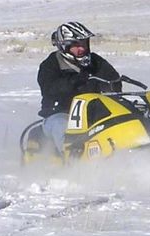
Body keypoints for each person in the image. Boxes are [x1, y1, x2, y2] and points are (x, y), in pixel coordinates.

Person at [37, 21, 121, 153]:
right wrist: (75, 81)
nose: (81, 49)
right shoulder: (50, 65)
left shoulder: (95, 62)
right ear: (64, 47)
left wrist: (112, 84)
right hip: (60, 114)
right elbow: (50, 89)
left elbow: (112, 78)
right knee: (63, 127)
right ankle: (72, 162)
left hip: (92, 113)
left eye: (83, 44)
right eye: (75, 45)